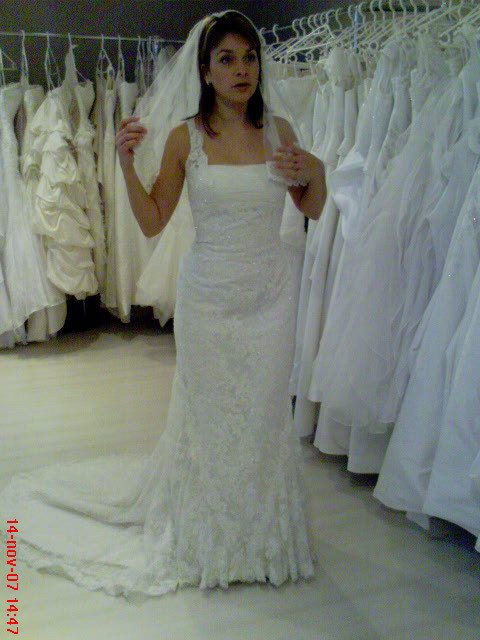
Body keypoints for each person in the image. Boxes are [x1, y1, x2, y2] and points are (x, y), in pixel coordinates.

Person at [0, 11, 326, 598]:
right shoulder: (185, 137)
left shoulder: (279, 131)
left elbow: (313, 207)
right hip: (209, 301)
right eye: (226, 59)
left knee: (262, 416)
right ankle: (207, 536)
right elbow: (153, 220)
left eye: (249, 57)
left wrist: (317, 170)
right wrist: (125, 164)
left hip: (270, 300)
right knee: (210, 416)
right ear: (205, 70)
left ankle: (261, 536)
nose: (241, 69)